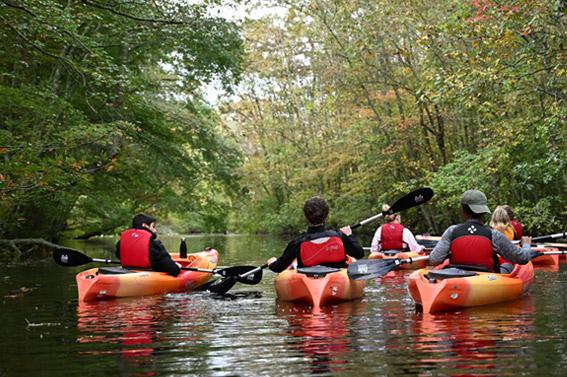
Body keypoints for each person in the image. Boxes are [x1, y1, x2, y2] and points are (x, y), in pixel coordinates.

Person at [429, 190, 535, 274]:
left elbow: (434, 260)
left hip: (456, 276)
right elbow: (523, 258)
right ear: (484, 211)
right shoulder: (493, 234)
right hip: (487, 279)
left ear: (462, 210)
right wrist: (526, 245)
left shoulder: (451, 231)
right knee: (508, 264)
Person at [266, 196, 365, 272]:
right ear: (326, 215)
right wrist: (349, 235)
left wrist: (271, 263)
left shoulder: (297, 243)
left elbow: (279, 267)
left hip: (308, 277)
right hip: (337, 276)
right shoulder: (339, 236)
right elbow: (359, 253)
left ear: (306, 216)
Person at [115, 213, 181, 276]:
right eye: (153, 226)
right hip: (147, 278)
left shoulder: (120, 243)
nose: (155, 230)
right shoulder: (154, 245)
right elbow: (174, 270)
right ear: (145, 225)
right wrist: (177, 267)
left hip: (127, 274)